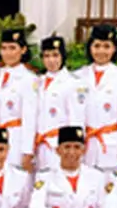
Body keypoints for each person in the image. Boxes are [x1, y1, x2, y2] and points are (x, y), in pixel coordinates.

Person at [75, 25, 117, 173]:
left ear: (114, 49)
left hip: (111, 147)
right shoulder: (77, 76)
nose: (101, 51)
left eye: (106, 46)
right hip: (85, 147)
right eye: (97, 46)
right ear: (90, 47)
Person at [0, 29, 38, 172]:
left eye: (12, 48)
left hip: (16, 139)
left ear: (23, 50)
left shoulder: (29, 79)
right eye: (4, 48)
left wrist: (27, 151)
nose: (8, 53)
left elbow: (30, 117)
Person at [32, 36, 83, 173]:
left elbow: (75, 118)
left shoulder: (72, 83)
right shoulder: (38, 81)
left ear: (63, 56)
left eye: (55, 55)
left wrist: (72, 148)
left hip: (59, 145)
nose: (51, 60)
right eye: (47, 56)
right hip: (39, 145)